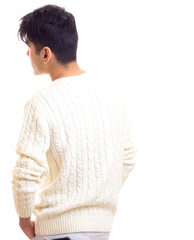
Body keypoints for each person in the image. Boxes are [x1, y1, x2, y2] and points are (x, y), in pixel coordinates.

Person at [12, 5, 136, 240]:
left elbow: (27, 171)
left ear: (45, 54)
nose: (28, 55)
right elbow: (128, 156)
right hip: (102, 228)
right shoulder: (112, 95)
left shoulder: (41, 102)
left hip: (58, 231)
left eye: (29, 48)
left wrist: (24, 218)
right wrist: (97, 195)